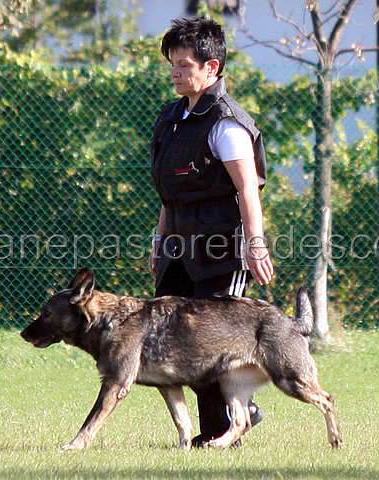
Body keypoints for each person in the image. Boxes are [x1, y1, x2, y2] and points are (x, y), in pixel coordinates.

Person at [149, 16, 274, 447]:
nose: (176, 72)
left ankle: (226, 429)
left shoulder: (226, 122)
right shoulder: (171, 118)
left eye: (185, 65)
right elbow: (170, 192)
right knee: (182, 339)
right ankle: (227, 423)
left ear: (212, 67)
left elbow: (247, 190)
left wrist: (255, 244)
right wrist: (160, 239)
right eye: (173, 64)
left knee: (213, 341)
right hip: (179, 243)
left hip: (221, 247)